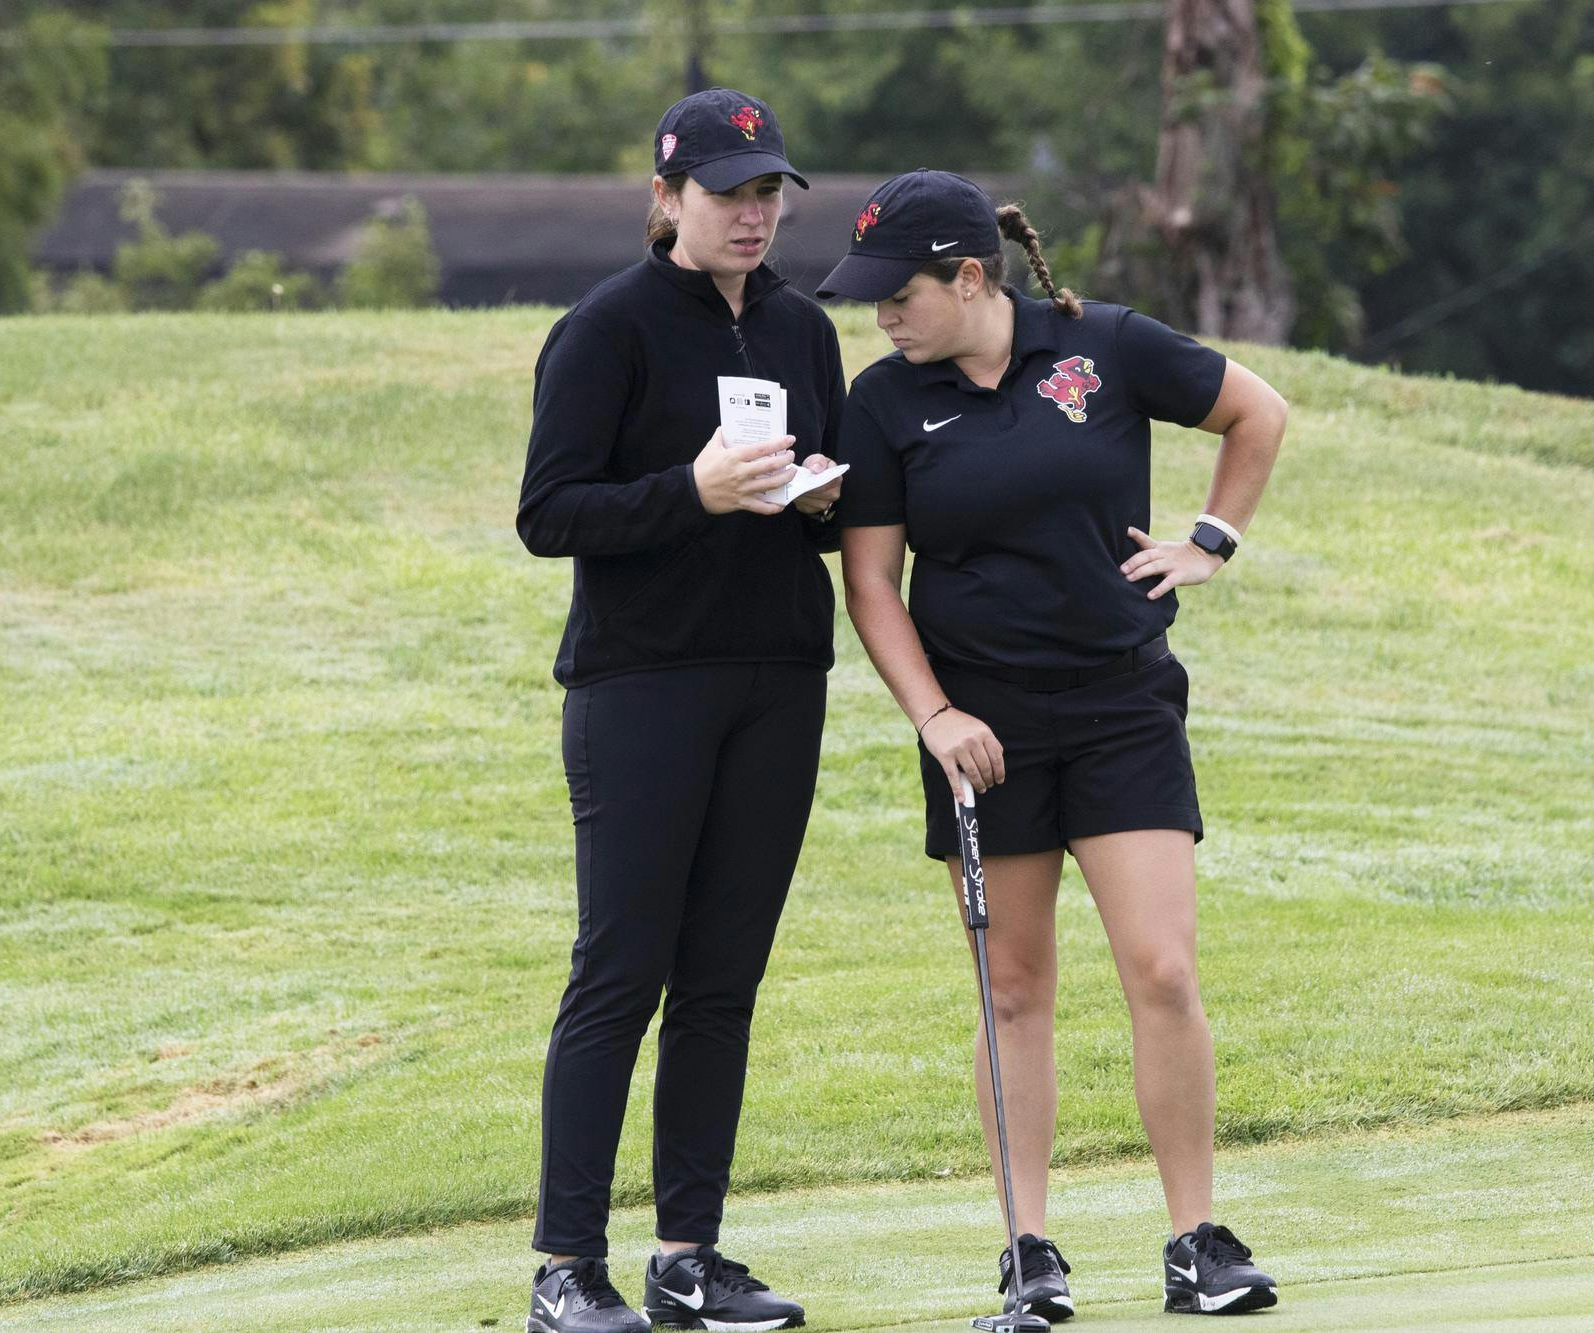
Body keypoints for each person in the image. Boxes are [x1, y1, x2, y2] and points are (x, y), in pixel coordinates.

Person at [820, 170, 1289, 1318]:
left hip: (1119, 704)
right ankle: (1029, 1251)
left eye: (898, 295)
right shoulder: (883, 402)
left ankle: (1195, 1241)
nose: (880, 316)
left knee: (1162, 968)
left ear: (968, 276)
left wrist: (1209, 540)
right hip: (982, 731)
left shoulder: (1104, 347)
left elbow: (1255, 410)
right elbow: (871, 583)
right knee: (1014, 991)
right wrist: (934, 715)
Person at [515, 88, 844, 1333]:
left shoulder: (805, 332)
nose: (752, 216)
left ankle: (688, 1260)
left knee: (721, 981)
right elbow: (551, 515)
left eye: (766, 194)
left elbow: (818, 499)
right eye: (726, 194)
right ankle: (565, 1268)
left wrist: (813, 503)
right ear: (666, 200)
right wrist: (691, 491)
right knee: (621, 971)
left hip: (774, 682)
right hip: (639, 685)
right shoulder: (605, 330)